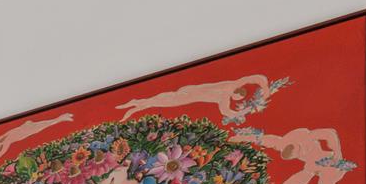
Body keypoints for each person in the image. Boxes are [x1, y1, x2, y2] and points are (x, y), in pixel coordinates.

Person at [115, 75, 273, 123]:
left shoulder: (233, 82)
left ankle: (136, 104)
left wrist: (265, 88)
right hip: (186, 97)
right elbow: (227, 112)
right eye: (237, 97)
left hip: (189, 90)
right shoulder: (225, 95)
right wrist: (244, 111)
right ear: (237, 94)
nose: (236, 99)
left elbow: (257, 78)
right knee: (158, 101)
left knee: (158, 99)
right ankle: (136, 104)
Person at [0, 113, 73, 172]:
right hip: (26, 129)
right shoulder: (3, 142)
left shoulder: (0, 140)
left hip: (25, 128)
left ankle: (61, 118)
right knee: (45, 124)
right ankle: (61, 118)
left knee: (45, 124)